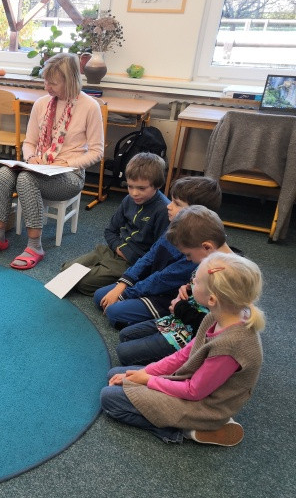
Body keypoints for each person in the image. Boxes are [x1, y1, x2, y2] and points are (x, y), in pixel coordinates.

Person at [100, 251, 265, 447]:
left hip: (205, 407)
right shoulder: (215, 315)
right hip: (190, 381)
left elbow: (194, 391)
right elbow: (184, 355)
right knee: (114, 375)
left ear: (212, 299)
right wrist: (147, 372)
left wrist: (148, 380)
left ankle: (186, 430)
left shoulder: (231, 344)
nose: (191, 282)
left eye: (197, 281)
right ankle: (180, 420)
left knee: (109, 399)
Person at [0, 52, 104, 270]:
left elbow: (97, 152)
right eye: (45, 81)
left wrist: (67, 164)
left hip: (69, 175)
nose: (47, 87)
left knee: (26, 180)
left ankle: (35, 246)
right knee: (3, 175)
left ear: (70, 80)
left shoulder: (90, 106)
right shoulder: (42, 104)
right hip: (39, 166)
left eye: (53, 83)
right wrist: (31, 157)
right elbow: (29, 142)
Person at [93, 177, 222, 329]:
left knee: (114, 312)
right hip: (151, 284)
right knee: (99, 297)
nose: (169, 206)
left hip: (166, 296)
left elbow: (162, 280)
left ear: (197, 213)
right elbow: (149, 256)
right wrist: (122, 285)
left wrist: (124, 294)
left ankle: (156, 320)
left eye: (177, 204)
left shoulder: (196, 248)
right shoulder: (174, 226)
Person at [115, 206, 237, 367]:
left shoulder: (228, 278)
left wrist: (180, 308)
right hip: (179, 320)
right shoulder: (209, 259)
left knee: (123, 353)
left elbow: (215, 328)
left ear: (207, 246)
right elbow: (198, 286)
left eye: (188, 254)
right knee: (125, 335)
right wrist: (188, 288)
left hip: (192, 336)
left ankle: (176, 368)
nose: (188, 259)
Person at [62, 152, 169, 295]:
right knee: (66, 270)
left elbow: (159, 253)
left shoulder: (164, 211)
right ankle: (104, 271)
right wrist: (118, 247)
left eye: (141, 188)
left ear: (158, 185)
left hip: (132, 263)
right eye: (130, 186)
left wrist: (131, 257)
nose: (134, 193)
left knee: (84, 282)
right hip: (112, 250)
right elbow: (110, 230)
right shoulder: (129, 200)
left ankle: (122, 282)